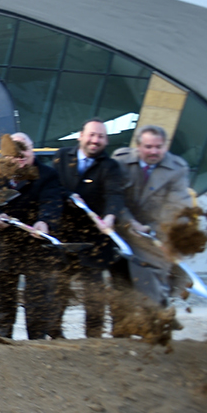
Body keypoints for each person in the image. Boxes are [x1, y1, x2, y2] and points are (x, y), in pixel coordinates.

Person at [53, 118, 127, 338]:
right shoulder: (62, 156)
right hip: (65, 238)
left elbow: (115, 194)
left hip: (95, 239)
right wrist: (68, 196)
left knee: (93, 292)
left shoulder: (110, 165)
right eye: (92, 135)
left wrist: (111, 216)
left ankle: (93, 337)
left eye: (101, 136)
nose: (96, 140)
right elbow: (54, 187)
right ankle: (54, 333)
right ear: (81, 136)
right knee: (59, 289)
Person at [0, 133, 63, 340]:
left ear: (32, 149)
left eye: (25, 150)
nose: (20, 156)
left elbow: (52, 202)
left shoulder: (47, 174)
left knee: (37, 300)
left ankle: (36, 342)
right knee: (4, 298)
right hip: (6, 245)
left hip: (36, 247)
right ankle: (2, 338)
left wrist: (44, 222)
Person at [115, 125, 192, 307]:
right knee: (121, 282)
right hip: (122, 229)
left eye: (159, 147)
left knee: (151, 275)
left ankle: (159, 317)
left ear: (165, 146)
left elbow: (177, 208)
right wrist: (128, 221)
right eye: (148, 147)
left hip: (154, 233)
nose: (154, 151)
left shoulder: (177, 169)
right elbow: (113, 197)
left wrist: (158, 233)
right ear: (138, 146)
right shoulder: (121, 161)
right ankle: (122, 329)